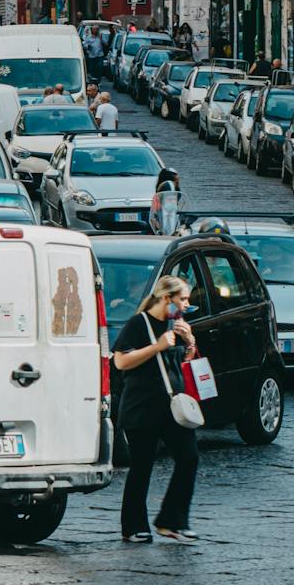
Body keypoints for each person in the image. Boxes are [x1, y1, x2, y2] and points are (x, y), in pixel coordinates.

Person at [112, 274, 200, 542]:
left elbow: (180, 362)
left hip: (171, 407)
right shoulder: (139, 324)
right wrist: (157, 346)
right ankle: (133, 527)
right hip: (142, 407)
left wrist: (191, 342)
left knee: (189, 457)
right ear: (166, 298)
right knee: (142, 467)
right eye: (182, 299)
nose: (186, 305)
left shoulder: (175, 323)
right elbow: (121, 362)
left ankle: (171, 521)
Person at [150, 168, 181, 235]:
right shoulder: (169, 185)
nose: (178, 176)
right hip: (167, 214)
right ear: (171, 176)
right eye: (176, 174)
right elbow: (171, 204)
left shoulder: (163, 185)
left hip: (162, 215)